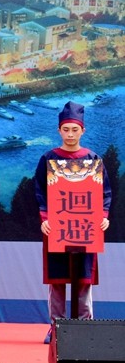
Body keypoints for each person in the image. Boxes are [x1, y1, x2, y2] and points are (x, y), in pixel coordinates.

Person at [35, 101, 111, 343]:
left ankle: (85, 326)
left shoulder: (93, 158)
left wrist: (104, 217)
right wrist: (45, 219)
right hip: (56, 228)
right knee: (57, 281)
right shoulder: (48, 158)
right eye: (65, 129)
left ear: (82, 131)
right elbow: (40, 192)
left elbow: (105, 192)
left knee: (84, 280)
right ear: (59, 130)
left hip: (85, 227)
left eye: (74, 130)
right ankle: (56, 327)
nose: (70, 134)